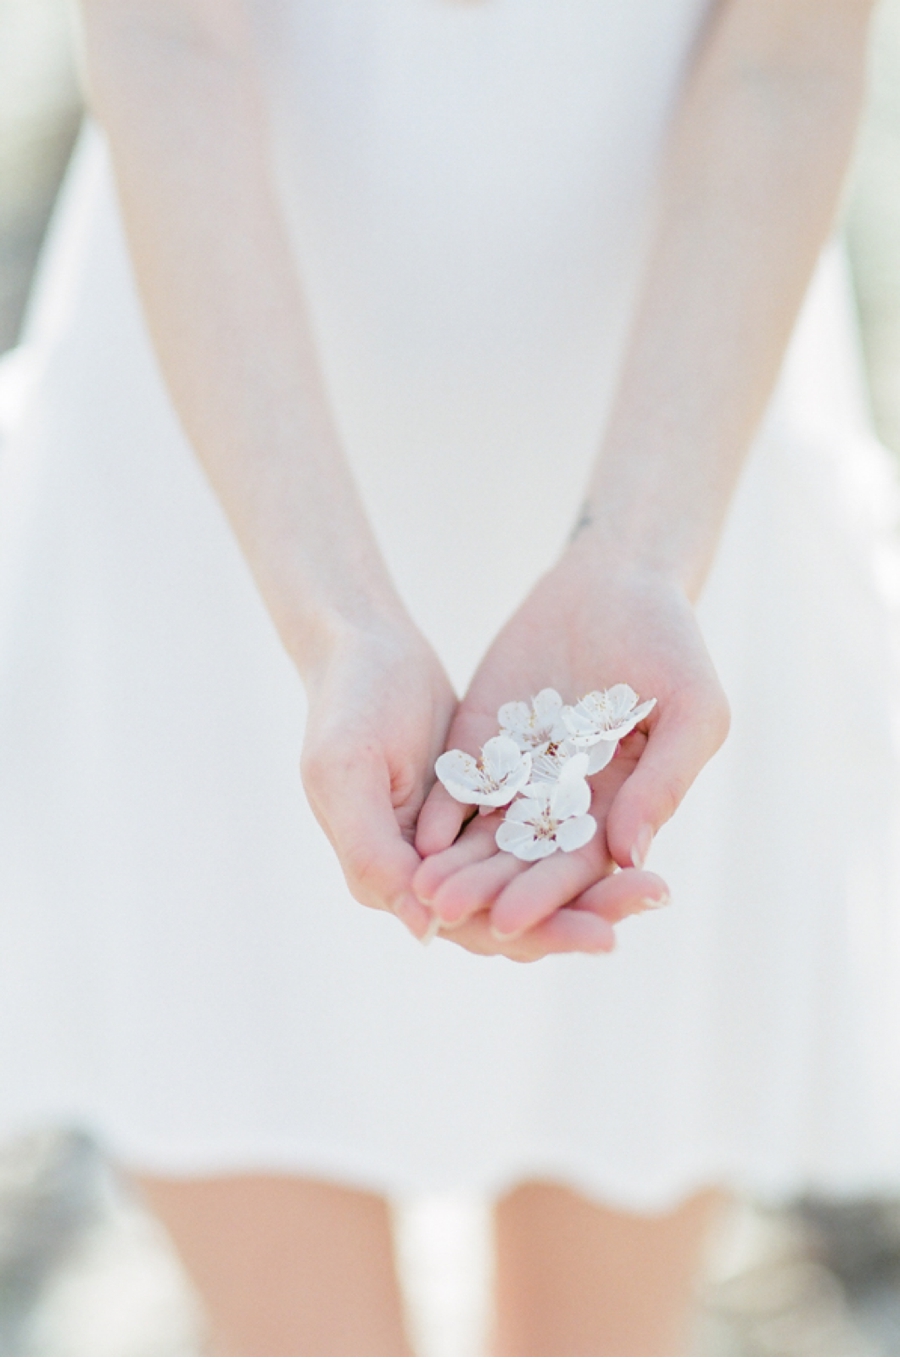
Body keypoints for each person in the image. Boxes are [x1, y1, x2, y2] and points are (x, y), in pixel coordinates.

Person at [0, 0, 896, 1353]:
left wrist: (643, 553)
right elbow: (166, 32)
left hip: (683, 409)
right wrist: (337, 624)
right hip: (233, 432)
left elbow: (790, 49)